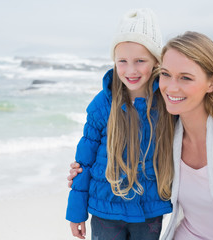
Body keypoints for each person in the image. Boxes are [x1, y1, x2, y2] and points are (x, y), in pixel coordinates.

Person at [69, 31, 213, 239]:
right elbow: (114, 149)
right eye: (166, 74)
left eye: (185, 78)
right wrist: (84, 178)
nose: (171, 87)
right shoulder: (171, 129)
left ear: (212, 83)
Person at [66, 8, 175, 240]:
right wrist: (76, 213)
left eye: (140, 61)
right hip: (105, 208)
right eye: (122, 61)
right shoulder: (102, 105)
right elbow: (83, 161)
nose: (131, 70)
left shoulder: (167, 103)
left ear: (156, 60)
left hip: (151, 209)